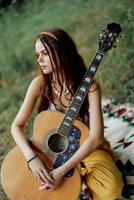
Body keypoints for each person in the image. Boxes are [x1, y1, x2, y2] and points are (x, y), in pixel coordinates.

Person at [11, 28, 124, 200]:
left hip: (84, 149)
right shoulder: (39, 84)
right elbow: (16, 126)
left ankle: (77, 180)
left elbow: (96, 138)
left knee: (113, 189)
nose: (39, 59)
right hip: (48, 152)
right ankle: (78, 182)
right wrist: (31, 157)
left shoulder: (90, 87)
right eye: (37, 55)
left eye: (45, 53)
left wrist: (61, 171)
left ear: (62, 52)